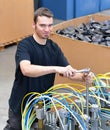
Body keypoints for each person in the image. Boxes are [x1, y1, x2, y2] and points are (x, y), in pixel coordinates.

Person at [4, 7, 94, 130]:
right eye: (42, 25)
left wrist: (83, 77)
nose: (47, 30)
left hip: (42, 105)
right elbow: (26, 69)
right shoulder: (25, 45)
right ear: (33, 25)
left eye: (50, 25)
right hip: (21, 105)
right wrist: (55, 69)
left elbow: (69, 72)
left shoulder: (54, 48)